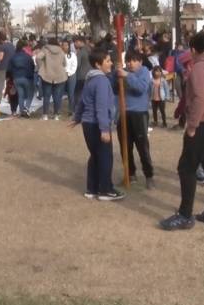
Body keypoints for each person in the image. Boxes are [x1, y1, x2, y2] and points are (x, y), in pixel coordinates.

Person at [160, 32, 204, 231]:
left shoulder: (200, 67)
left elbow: (200, 98)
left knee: (187, 168)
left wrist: (192, 126)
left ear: (193, 49)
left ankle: (185, 215)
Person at [70, 48, 124, 201]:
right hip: (97, 124)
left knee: (95, 156)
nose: (111, 63)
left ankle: (92, 188)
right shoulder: (101, 81)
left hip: (88, 123)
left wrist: (77, 117)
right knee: (105, 157)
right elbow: (101, 106)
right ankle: (105, 189)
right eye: (107, 61)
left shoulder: (90, 79)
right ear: (98, 65)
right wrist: (104, 129)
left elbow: (81, 101)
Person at [116, 51, 155, 189]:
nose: (130, 63)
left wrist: (127, 75)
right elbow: (115, 89)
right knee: (125, 146)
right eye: (128, 60)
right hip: (124, 113)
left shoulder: (144, 72)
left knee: (142, 146)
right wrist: (117, 73)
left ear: (140, 62)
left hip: (139, 114)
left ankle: (149, 175)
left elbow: (141, 88)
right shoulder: (123, 72)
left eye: (134, 60)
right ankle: (130, 173)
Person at [36, 37, 68, 120]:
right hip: (59, 75)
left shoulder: (45, 49)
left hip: (47, 75)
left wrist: (42, 67)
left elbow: (38, 58)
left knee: (46, 96)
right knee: (57, 96)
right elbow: (65, 63)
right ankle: (56, 115)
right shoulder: (61, 51)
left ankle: (45, 115)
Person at [8, 40, 35, 117]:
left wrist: (12, 76)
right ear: (23, 48)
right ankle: (26, 109)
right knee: (30, 94)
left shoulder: (13, 57)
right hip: (27, 78)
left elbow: (9, 69)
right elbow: (32, 67)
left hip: (16, 78)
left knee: (21, 95)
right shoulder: (28, 57)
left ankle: (21, 111)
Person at [0, 32, 14, 103]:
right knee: (10, 84)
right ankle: (10, 99)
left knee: (0, 83)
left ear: (0, 40)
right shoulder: (12, 46)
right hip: (11, 67)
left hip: (3, 67)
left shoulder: (2, 46)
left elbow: (0, 57)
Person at [74, 36, 92, 107]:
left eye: (76, 42)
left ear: (81, 42)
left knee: (78, 93)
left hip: (80, 76)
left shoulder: (81, 52)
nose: (75, 44)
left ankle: (77, 108)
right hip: (89, 75)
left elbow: (77, 64)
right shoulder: (90, 49)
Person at [62, 39, 78, 115]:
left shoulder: (72, 55)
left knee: (71, 93)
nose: (65, 47)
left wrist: (69, 73)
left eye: (66, 45)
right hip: (62, 75)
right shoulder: (60, 55)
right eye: (63, 45)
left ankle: (71, 110)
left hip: (71, 75)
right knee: (60, 93)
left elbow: (74, 66)